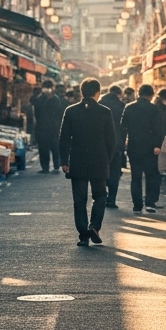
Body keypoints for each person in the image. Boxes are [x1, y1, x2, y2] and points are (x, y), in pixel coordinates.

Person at [58, 78, 116, 246]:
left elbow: (64, 139)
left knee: (79, 200)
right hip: (99, 161)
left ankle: (84, 235)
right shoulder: (105, 112)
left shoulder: (71, 111)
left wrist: (64, 161)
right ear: (98, 93)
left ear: (81, 92)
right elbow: (111, 141)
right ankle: (94, 226)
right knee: (100, 196)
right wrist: (107, 159)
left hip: (77, 161)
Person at [120, 84, 164, 214]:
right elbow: (159, 130)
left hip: (133, 147)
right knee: (151, 175)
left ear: (138, 94)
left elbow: (122, 127)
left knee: (136, 177)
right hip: (150, 148)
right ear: (151, 95)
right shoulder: (153, 109)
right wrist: (157, 145)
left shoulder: (129, 108)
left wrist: (123, 144)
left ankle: (137, 205)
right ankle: (149, 203)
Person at [100, 86, 127, 209]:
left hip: (101, 143)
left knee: (101, 170)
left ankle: (101, 196)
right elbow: (124, 126)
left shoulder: (100, 104)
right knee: (115, 172)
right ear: (119, 94)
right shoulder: (121, 105)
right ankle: (111, 199)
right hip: (117, 143)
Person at [30, 80, 64, 172]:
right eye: (45, 88)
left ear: (52, 88)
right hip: (42, 128)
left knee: (55, 147)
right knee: (43, 148)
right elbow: (35, 109)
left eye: (49, 88)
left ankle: (56, 166)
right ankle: (45, 167)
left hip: (54, 128)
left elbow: (60, 114)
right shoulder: (39, 99)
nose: (47, 90)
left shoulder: (56, 99)